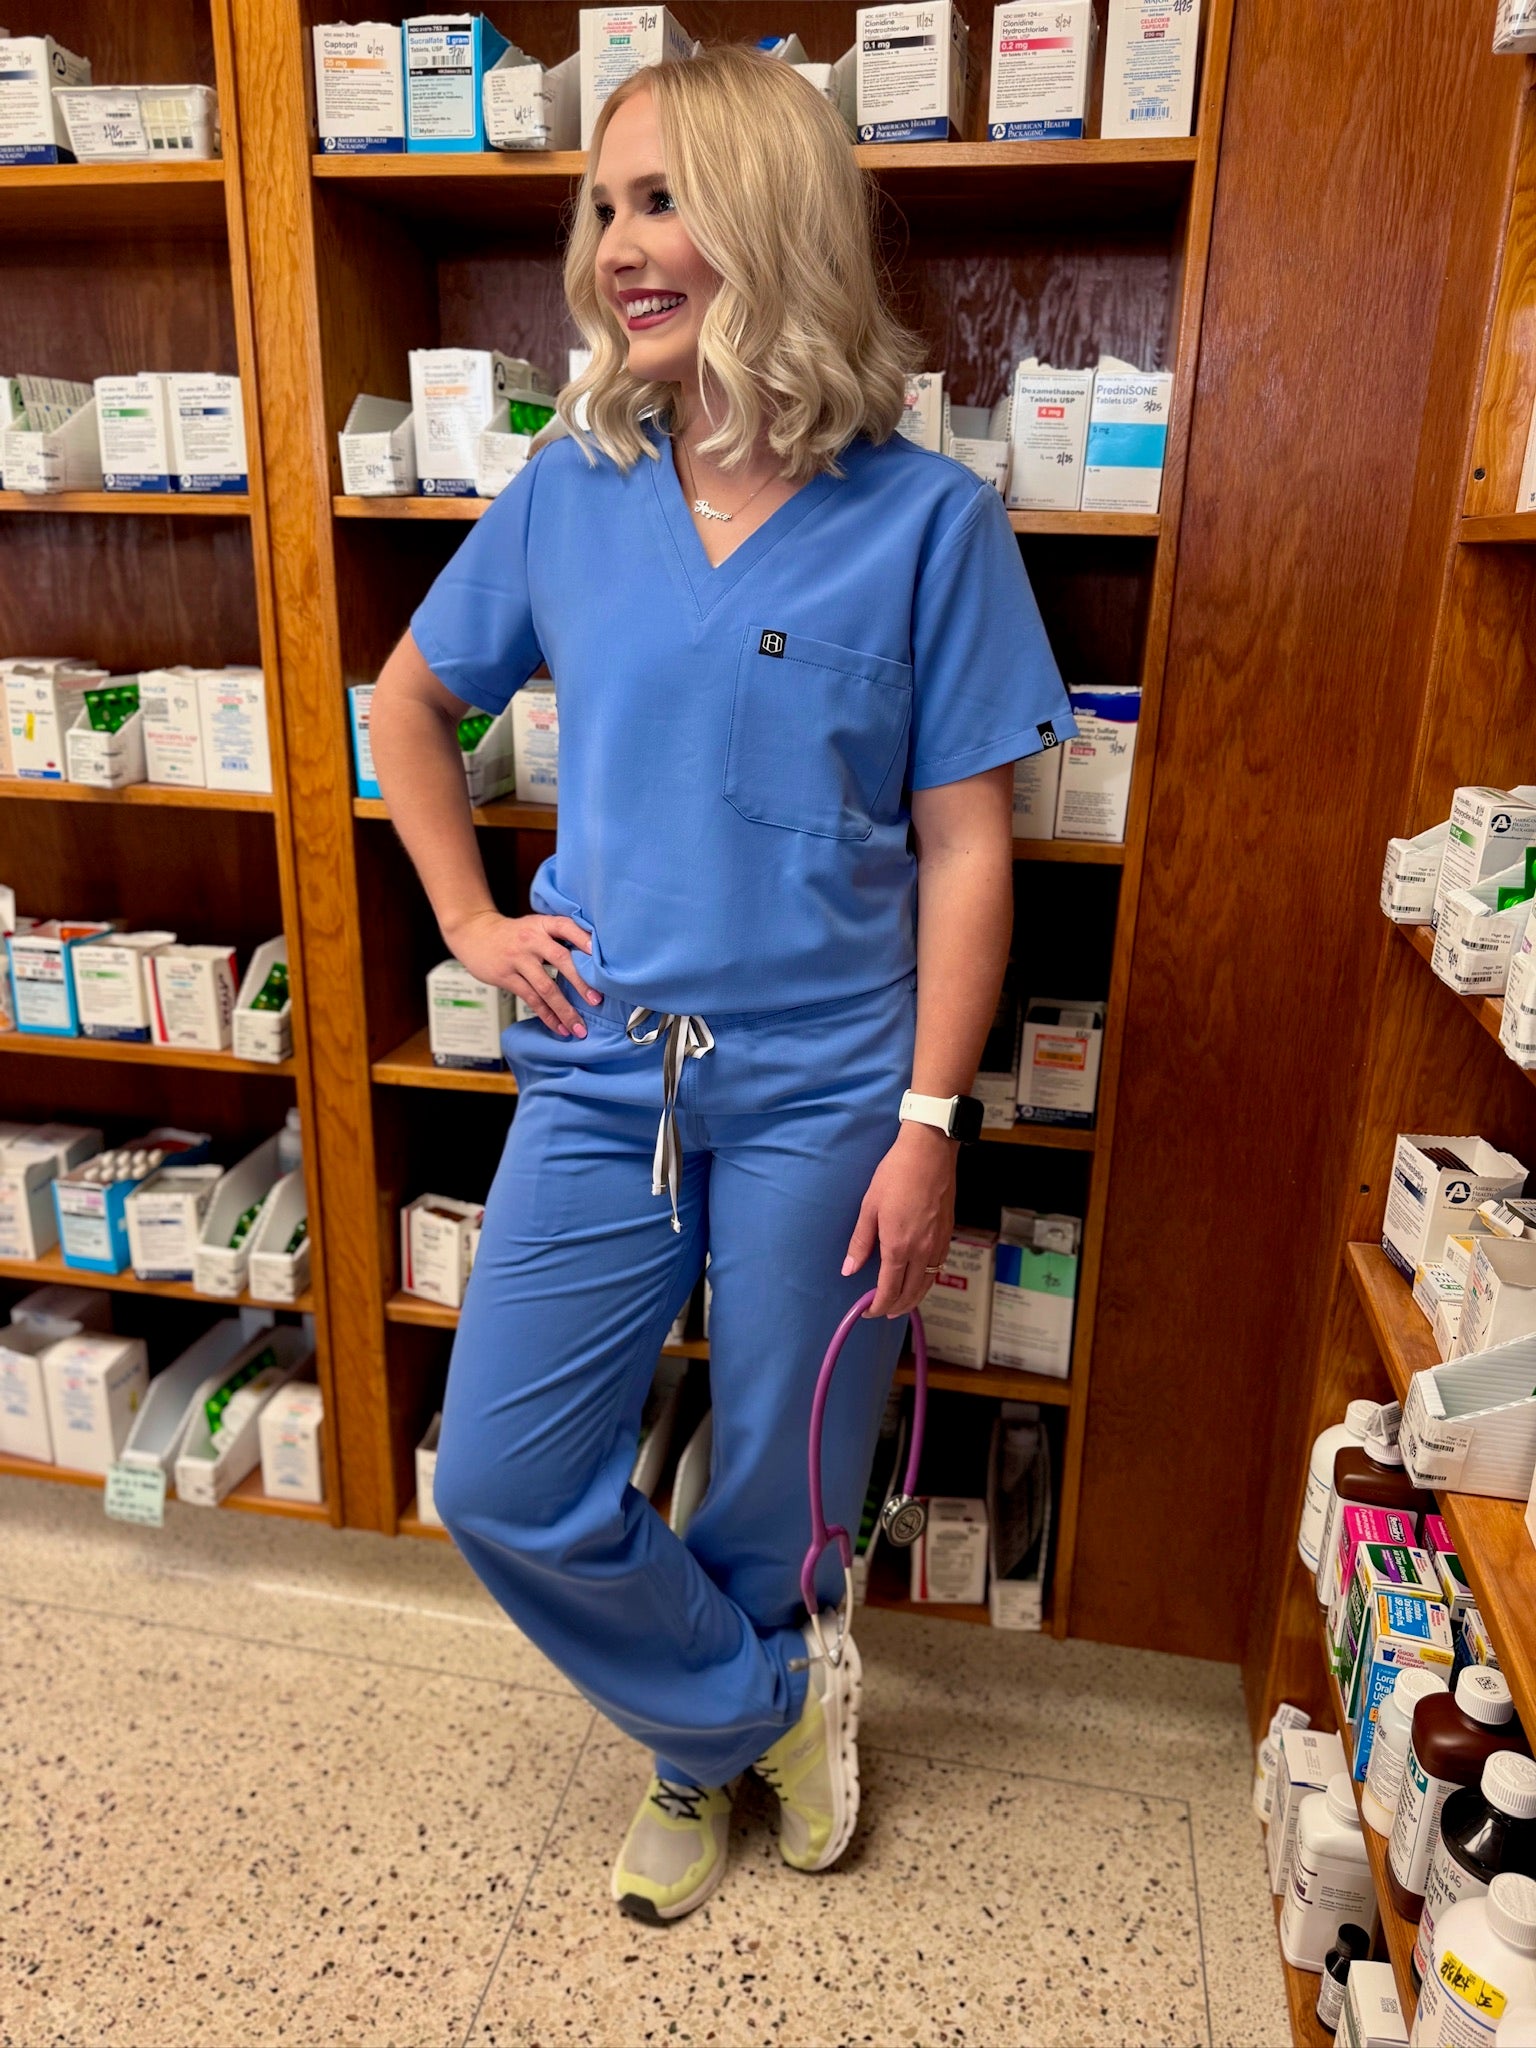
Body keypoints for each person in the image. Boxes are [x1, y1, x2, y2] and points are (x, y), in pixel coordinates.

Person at [368, 42, 1073, 1926]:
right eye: (603, 207)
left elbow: (967, 853)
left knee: (782, 1473)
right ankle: (754, 1710)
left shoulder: (925, 524)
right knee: (505, 1475)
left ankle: (696, 1754)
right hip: (607, 1066)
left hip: (832, 1087)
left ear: (770, 219)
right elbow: (408, 706)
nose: (617, 246)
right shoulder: (572, 489)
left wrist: (928, 1124)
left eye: (661, 200)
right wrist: (470, 923)